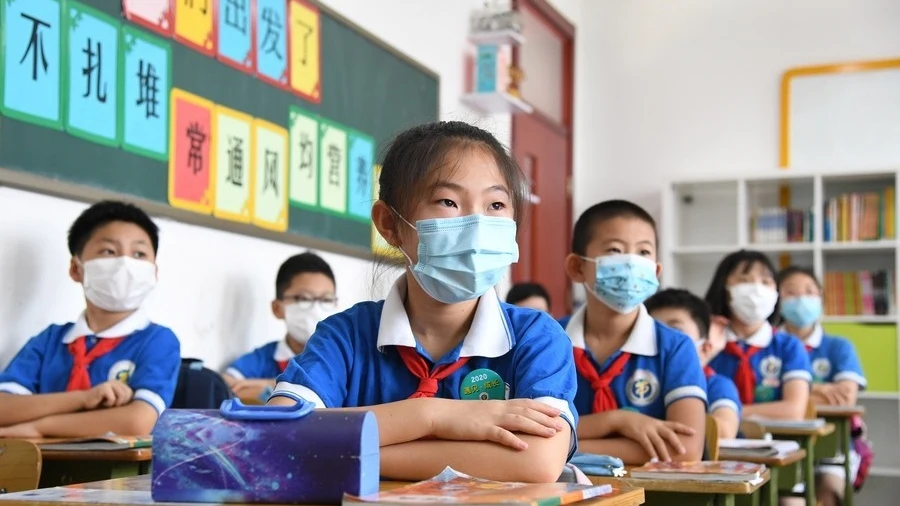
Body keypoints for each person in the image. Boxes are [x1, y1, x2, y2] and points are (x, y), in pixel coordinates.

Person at [267, 121, 577, 483]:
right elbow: (279, 435)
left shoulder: (536, 336)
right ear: (390, 224)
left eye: (495, 204)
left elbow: (537, 462)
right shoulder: (345, 336)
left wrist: (341, 452)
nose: (476, 224)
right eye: (448, 201)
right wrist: (434, 416)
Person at [0, 201, 180, 437]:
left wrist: (39, 428)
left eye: (139, 254)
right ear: (76, 269)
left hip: (116, 474)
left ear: (153, 272)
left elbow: (136, 422)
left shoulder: (158, 341)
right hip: (40, 470)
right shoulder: (51, 340)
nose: (125, 264)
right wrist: (84, 398)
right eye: (109, 251)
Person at [562, 199, 707, 464]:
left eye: (643, 253)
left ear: (656, 271)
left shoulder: (675, 347)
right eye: (615, 250)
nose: (631, 263)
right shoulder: (549, 339)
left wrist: (560, 448)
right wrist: (616, 421)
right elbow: (530, 433)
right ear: (577, 267)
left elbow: (684, 450)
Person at [778, 266, 868, 506]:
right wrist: (819, 389)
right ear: (778, 300)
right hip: (781, 442)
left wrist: (791, 395)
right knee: (788, 499)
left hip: (833, 446)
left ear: (820, 298)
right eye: (791, 292)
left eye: (809, 292)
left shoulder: (838, 346)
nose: (801, 299)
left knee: (830, 492)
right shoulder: (772, 346)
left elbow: (844, 398)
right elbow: (759, 396)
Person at [704, 250, 811, 421]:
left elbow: (793, 410)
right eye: (744, 281)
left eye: (766, 282)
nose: (756, 289)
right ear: (724, 288)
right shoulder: (707, 342)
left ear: (776, 292)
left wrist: (727, 414)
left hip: (777, 442)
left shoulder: (789, 346)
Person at [224, 252, 338, 400]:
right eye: (303, 298)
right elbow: (226, 386)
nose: (316, 309)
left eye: (326, 300)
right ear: (277, 308)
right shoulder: (264, 358)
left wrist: (272, 386)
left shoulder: (342, 358)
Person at [645, 288, 741, 439]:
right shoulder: (641, 382)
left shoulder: (716, 385)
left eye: (676, 331)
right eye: (654, 331)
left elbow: (724, 432)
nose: (665, 340)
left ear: (705, 348)